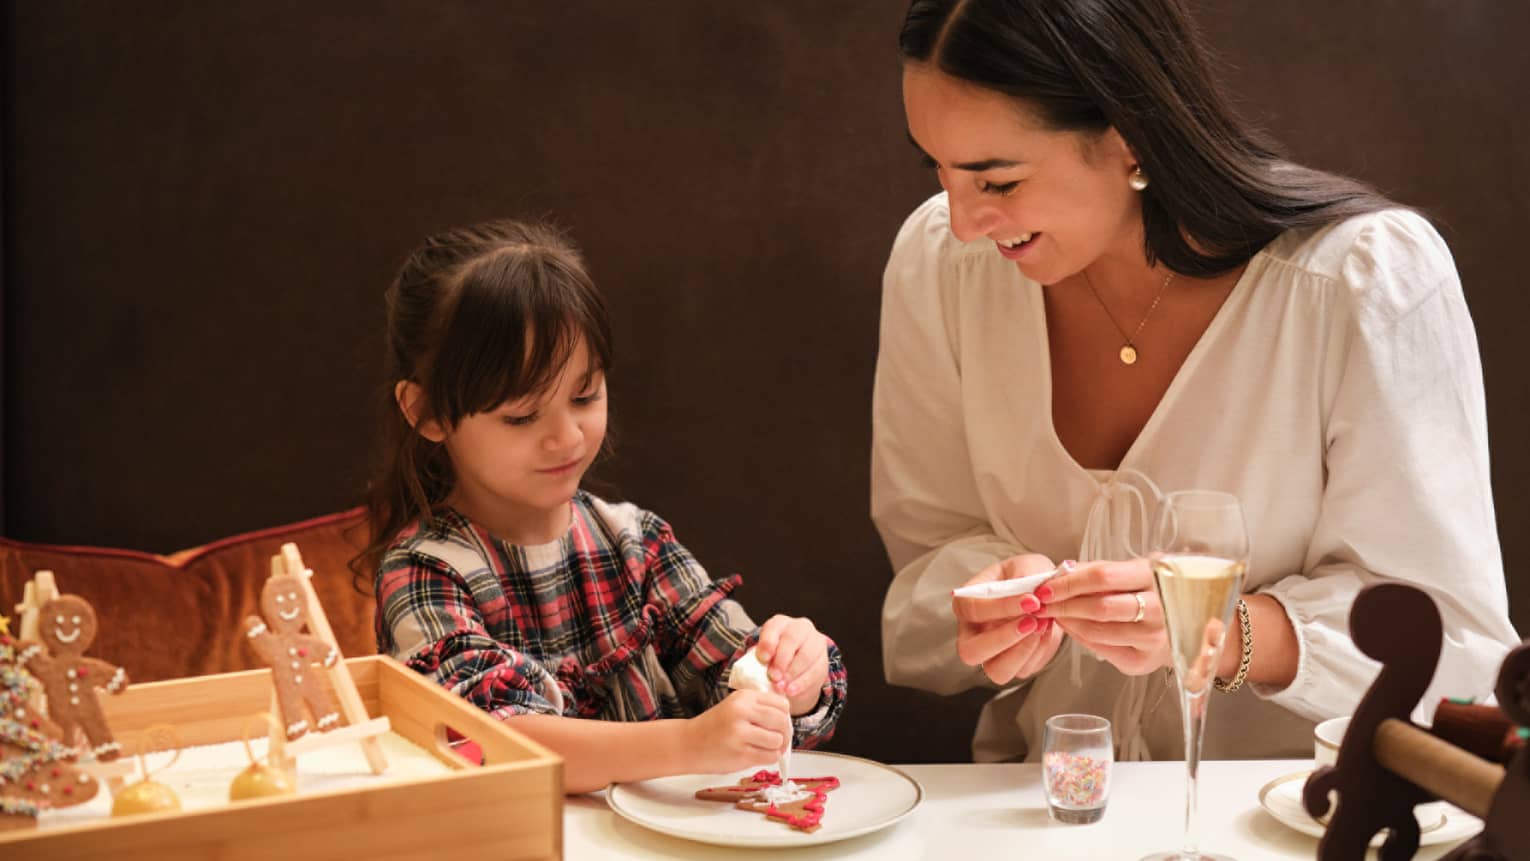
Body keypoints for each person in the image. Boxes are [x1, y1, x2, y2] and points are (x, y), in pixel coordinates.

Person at [873, 0, 1519, 763]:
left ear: (1131, 138)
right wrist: (997, 596)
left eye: (998, 181)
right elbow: (926, 563)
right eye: (938, 170)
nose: (961, 219)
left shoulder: (1361, 283)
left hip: (1297, 816)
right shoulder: (943, 266)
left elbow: (1456, 642)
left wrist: (1228, 630)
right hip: (1047, 810)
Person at [360, 218, 846, 792]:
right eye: (521, 416)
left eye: (584, 395)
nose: (565, 437)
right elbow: (494, 742)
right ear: (425, 413)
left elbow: (730, 672)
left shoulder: (633, 541)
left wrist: (791, 674)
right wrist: (688, 742)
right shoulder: (425, 571)